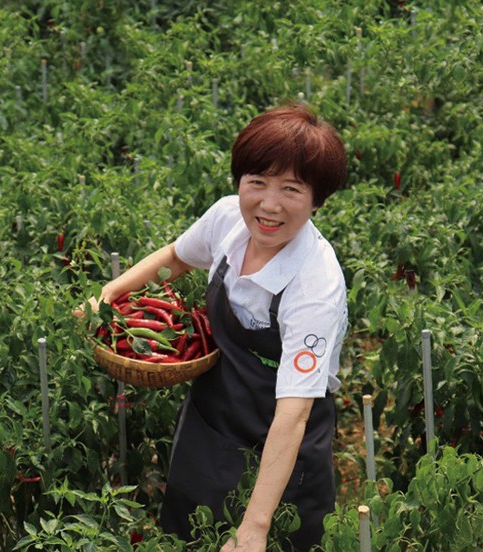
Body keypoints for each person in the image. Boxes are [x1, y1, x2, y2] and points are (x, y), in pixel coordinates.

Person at [80, 102, 348, 551]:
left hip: (281, 440)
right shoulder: (227, 218)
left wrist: (256, 525)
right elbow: (176, 257)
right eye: (257, 182)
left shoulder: (314, 285)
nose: (269, 204)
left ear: (317, 200)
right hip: (211, 415)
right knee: (187, 529)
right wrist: (107, 297)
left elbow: (294, 413)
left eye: (291, 189)